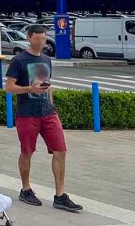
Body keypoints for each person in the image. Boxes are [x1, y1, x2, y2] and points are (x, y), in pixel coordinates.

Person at [5, 24, 82, 212]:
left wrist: (52, 105)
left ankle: (60, 195)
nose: (41, 42)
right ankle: (26, 189)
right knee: (27, 151)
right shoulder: (19, 61)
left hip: (48, 112)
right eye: (37, 38)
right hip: (27, 113)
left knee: (60, 150)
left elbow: (48, 85)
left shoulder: (46, 59)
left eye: (44, 38)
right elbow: (9, 87)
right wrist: (29, 89)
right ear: (29, 38)